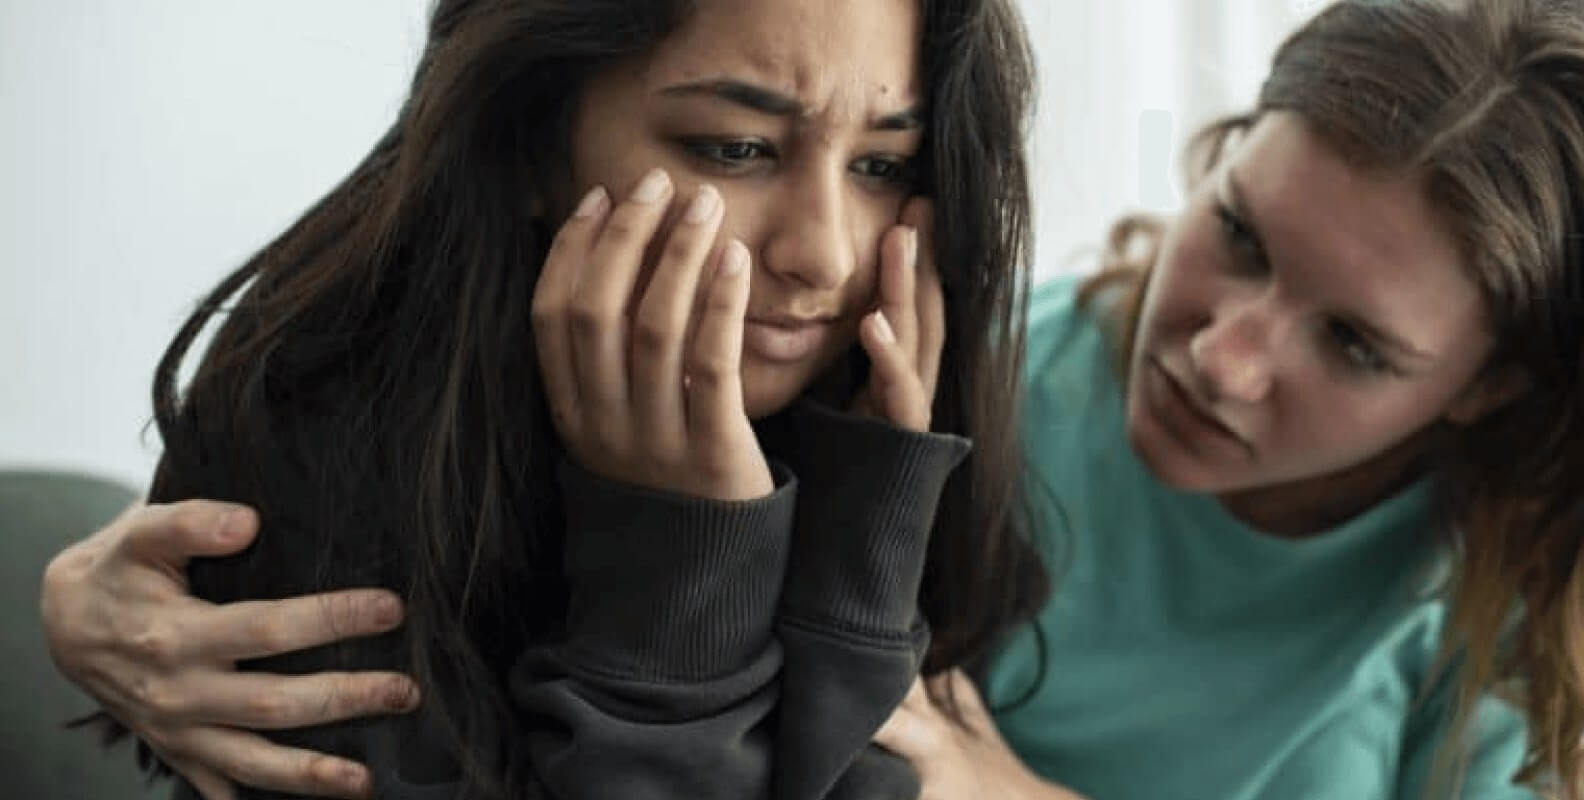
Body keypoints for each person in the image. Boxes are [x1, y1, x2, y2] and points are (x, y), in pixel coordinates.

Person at [37, 0, 1049, 798]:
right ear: (528, 143)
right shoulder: (324, 444)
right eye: (736, 147)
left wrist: (862, 545)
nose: (822, 253)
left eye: (882, 165)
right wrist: (685, 559)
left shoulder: (863, 419)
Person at [871, 0, 1584, 798]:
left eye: (1354, 344)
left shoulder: (1521, 607)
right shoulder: (969, 373)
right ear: (1221, 153)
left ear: (1490, 387)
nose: (1223, 362)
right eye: (1239, 235)